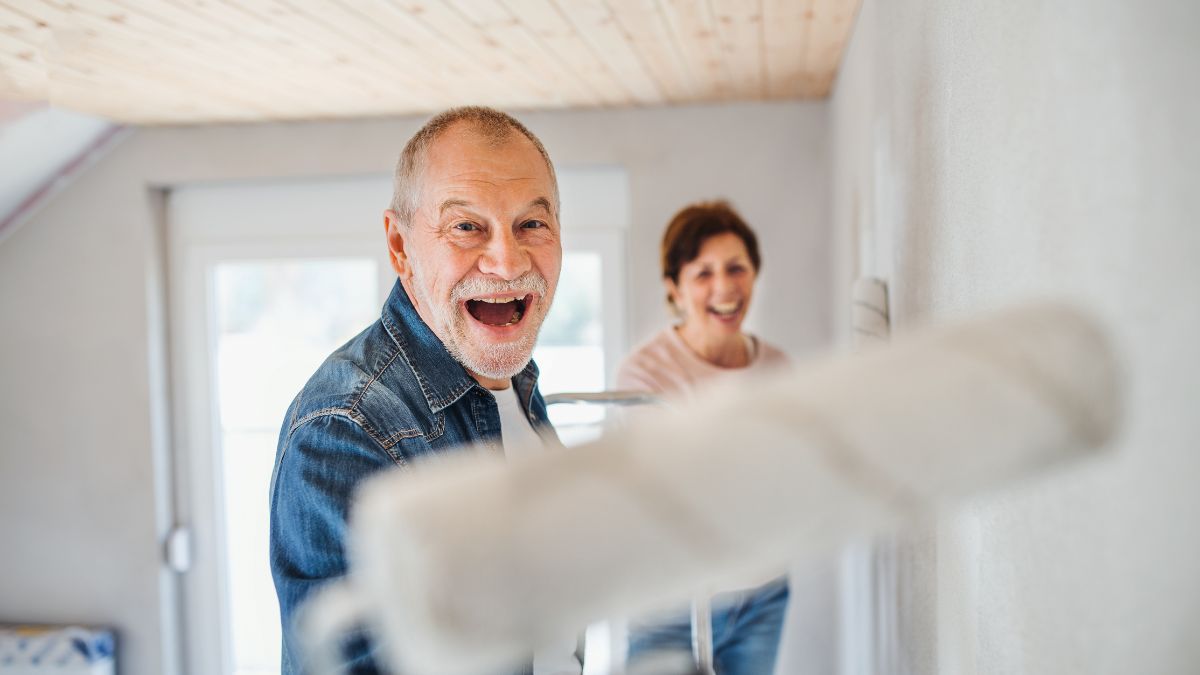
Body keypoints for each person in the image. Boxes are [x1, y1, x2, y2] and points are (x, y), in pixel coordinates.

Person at [270, 106, 581, 675]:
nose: (507, 259)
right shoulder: (345, 428)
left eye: (532, 224)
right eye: (466, 227)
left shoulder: (514, 383)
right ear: (399, 245)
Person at [617, 200, 790, 675]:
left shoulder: (778, 369)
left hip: (762, 594)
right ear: (674, 288)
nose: (725, 288)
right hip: (669, 602)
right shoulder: (645, 374)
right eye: (703, 274)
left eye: (737, 268)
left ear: (755, 274)